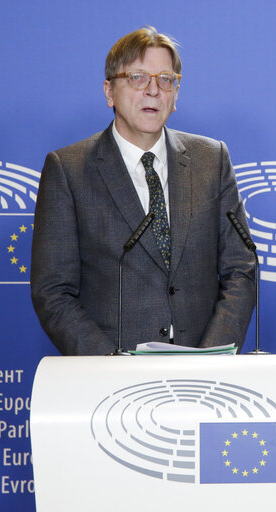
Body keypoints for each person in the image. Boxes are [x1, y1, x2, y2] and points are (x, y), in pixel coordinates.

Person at [31, 26, 255, 355]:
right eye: (137, 77)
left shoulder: (212, 159)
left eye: (166, 79)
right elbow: (53, 291)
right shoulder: (68, 169)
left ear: (176, 94)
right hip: (111, 381)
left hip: (204, 373)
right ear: (109, 92)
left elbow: (241, 268)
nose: (153, 90)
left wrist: (211, 358)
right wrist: (110, 364)